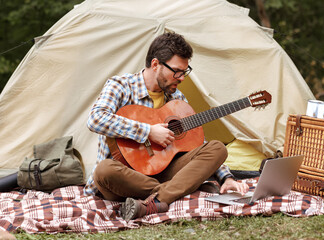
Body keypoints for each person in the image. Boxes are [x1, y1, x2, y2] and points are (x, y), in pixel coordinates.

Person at [83, 32, 249, 221]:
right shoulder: (120, 85)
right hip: (125, 179)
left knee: (217, 148)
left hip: (166, 172)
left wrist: (226, 178)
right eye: (177, 71)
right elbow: (96, 119)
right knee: (104, 171)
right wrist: (148, 132)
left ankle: (156, 201)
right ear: (155, 65)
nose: (181, 78)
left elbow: (197, 142)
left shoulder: (178, 99)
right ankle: (180, 189)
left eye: (185, 72)